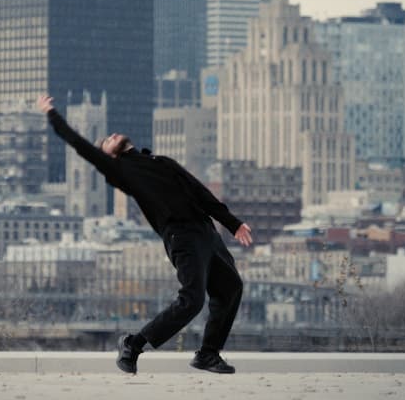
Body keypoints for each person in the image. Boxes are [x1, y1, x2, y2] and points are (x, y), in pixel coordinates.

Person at [37, 94, 252, 374]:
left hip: (206, 231)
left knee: (231, 287)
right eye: (107, 141)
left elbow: (199, 192)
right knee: (192, 300)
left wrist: (233, 223)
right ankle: (133, 344)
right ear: (108, 155)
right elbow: (79, 144)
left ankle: (208, 354)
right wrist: (52, 114)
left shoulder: (161, 161)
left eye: (111, 135)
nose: (112, 136)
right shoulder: (119, 170)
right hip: (181, 237)